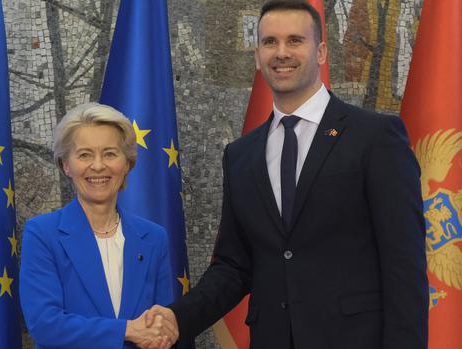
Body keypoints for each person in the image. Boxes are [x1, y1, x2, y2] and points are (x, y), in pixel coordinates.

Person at [146, 1, 429, 348]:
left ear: (321, 51)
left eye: (295, 40)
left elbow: (404, 264)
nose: (281, 53)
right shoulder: (240, 155)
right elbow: (234, 267)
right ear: (257, 55)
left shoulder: (375, 137)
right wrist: (178, 317)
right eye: (269, 42)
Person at [20, 102, 177, 348]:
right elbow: (45, 326)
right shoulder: (42, 234)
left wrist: (161, 334)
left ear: (127, 164)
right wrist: (126, 329)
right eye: (84, 154)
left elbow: (161, 327)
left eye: (110, 153)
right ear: (66, 165)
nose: (98, 165)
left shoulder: (154, 238)